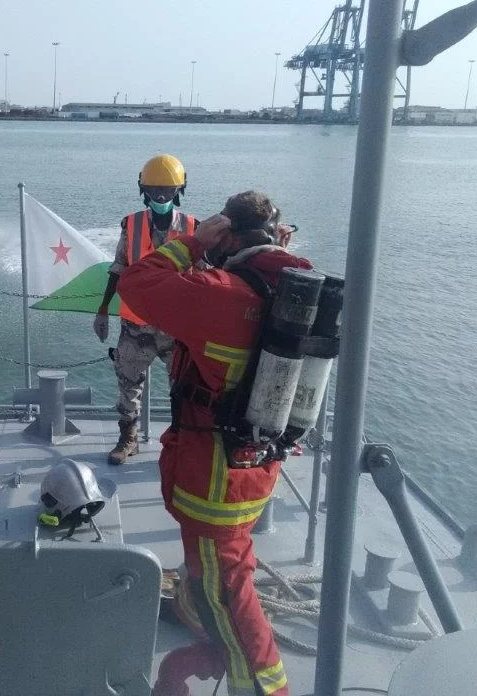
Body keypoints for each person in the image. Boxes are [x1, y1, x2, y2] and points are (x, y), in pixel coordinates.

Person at [119, 191, 309, 696]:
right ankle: (204, 625)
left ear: (226, 233)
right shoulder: (291, 285)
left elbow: (135, 285)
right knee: (229, 565)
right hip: (257, 460)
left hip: (213, 474)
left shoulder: (218, 292)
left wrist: (191, 242)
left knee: (226, 589)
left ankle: (265, 687)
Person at [93, 153, 198, 465]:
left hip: (177, 329)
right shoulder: (132, 225)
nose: (161, 197)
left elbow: (206, 277)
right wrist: (102, 311)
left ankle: (180, 442)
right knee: (127, 384)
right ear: (143, 190)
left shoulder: (194, 228)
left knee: (182, 389)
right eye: (154, 191)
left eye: (166, 191)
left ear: (179, 191)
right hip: (136, 326)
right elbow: (117, 268)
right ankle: (128, 438)